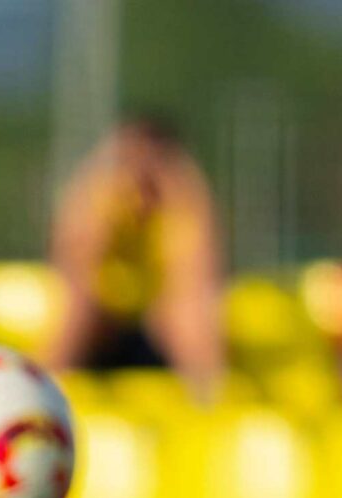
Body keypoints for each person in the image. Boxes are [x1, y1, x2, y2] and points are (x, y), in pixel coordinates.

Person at [47, 114, 223, 398]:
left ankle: (208, 400)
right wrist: (99, 177)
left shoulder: (181, 206)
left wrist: (182, 187)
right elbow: (69, 259)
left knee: (187, 309)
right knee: (79, 305)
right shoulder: (101, 194)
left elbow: (200, 274)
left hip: (158, 323)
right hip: (104, 321)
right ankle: (49, 388)